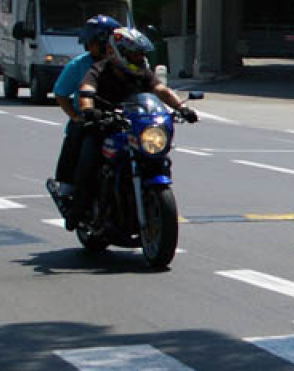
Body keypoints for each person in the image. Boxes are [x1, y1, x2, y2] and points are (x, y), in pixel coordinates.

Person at [67, 24, 197, 229]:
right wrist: (89, 109)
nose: (139, 58)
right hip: (104, 126)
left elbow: (160, 89)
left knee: (160, 158)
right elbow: (87, 89)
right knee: (88, 161)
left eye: (141, 54)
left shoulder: (143, 72)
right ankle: (78, 211)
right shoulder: (100, 69)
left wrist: (181, 108)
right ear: (119, 52)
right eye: (134, 54)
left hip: (134, 126)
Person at [48, 16, 116, 209]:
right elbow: (61, 93)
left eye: (92, 43)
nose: (88, 47)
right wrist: (76, 116)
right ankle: (69, 189)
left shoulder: (124, 63)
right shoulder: (78, 65)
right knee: (79, 137)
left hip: (120, 119)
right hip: (91, 120)